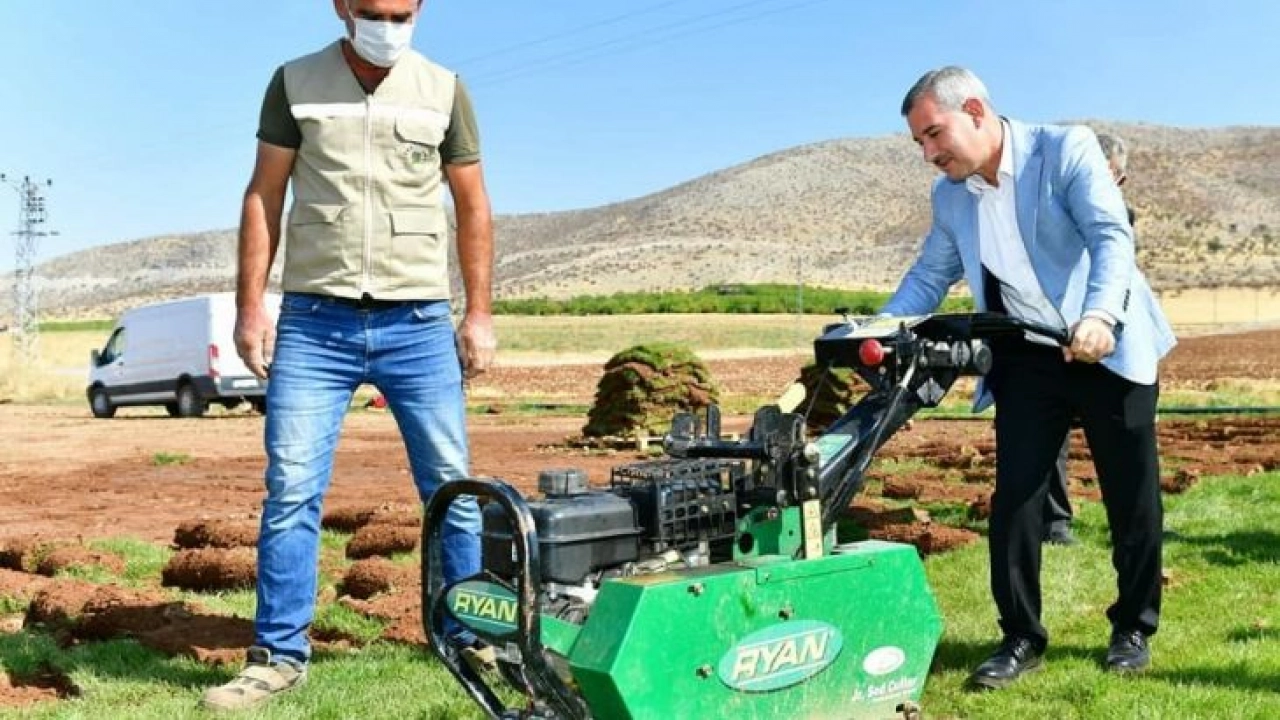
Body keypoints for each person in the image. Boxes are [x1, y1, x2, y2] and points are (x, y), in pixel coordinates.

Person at [202, 0, 496, 710]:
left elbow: (473, 204)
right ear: (340, 7)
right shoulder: (294, 82)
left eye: (401, 13)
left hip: (418, 321)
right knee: (292, 491)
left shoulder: (444, 88)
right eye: (371, 11)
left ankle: (467, 637)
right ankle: (278, 656)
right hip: (315, 322)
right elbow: (264, 194)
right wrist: (250, 306)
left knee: (452, 488)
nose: (386, 25)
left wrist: (479, 313)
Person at [881, 67, 1175, 689]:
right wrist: (878, 328)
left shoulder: (1064, 149)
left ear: (976, 111)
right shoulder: (952, 196)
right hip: (1029, 356)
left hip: (1105, 343)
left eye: (934, 134)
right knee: (1015, 498)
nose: (929, 154)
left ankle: (1133, 626)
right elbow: (930, 276)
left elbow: (1109, 237)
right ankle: (1020, 636)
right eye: (920, 143)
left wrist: (1100, 317)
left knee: (1132, 496)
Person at [1041, 130, 1134, 547]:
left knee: (1123, 438)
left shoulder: (1120, 218)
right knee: (1052, 436)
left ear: (1118, 178)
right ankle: (1055, 524)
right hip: (1057, 335)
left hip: (1108, 339)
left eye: (1104, 171)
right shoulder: (1055, 209)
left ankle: (1132, 522)